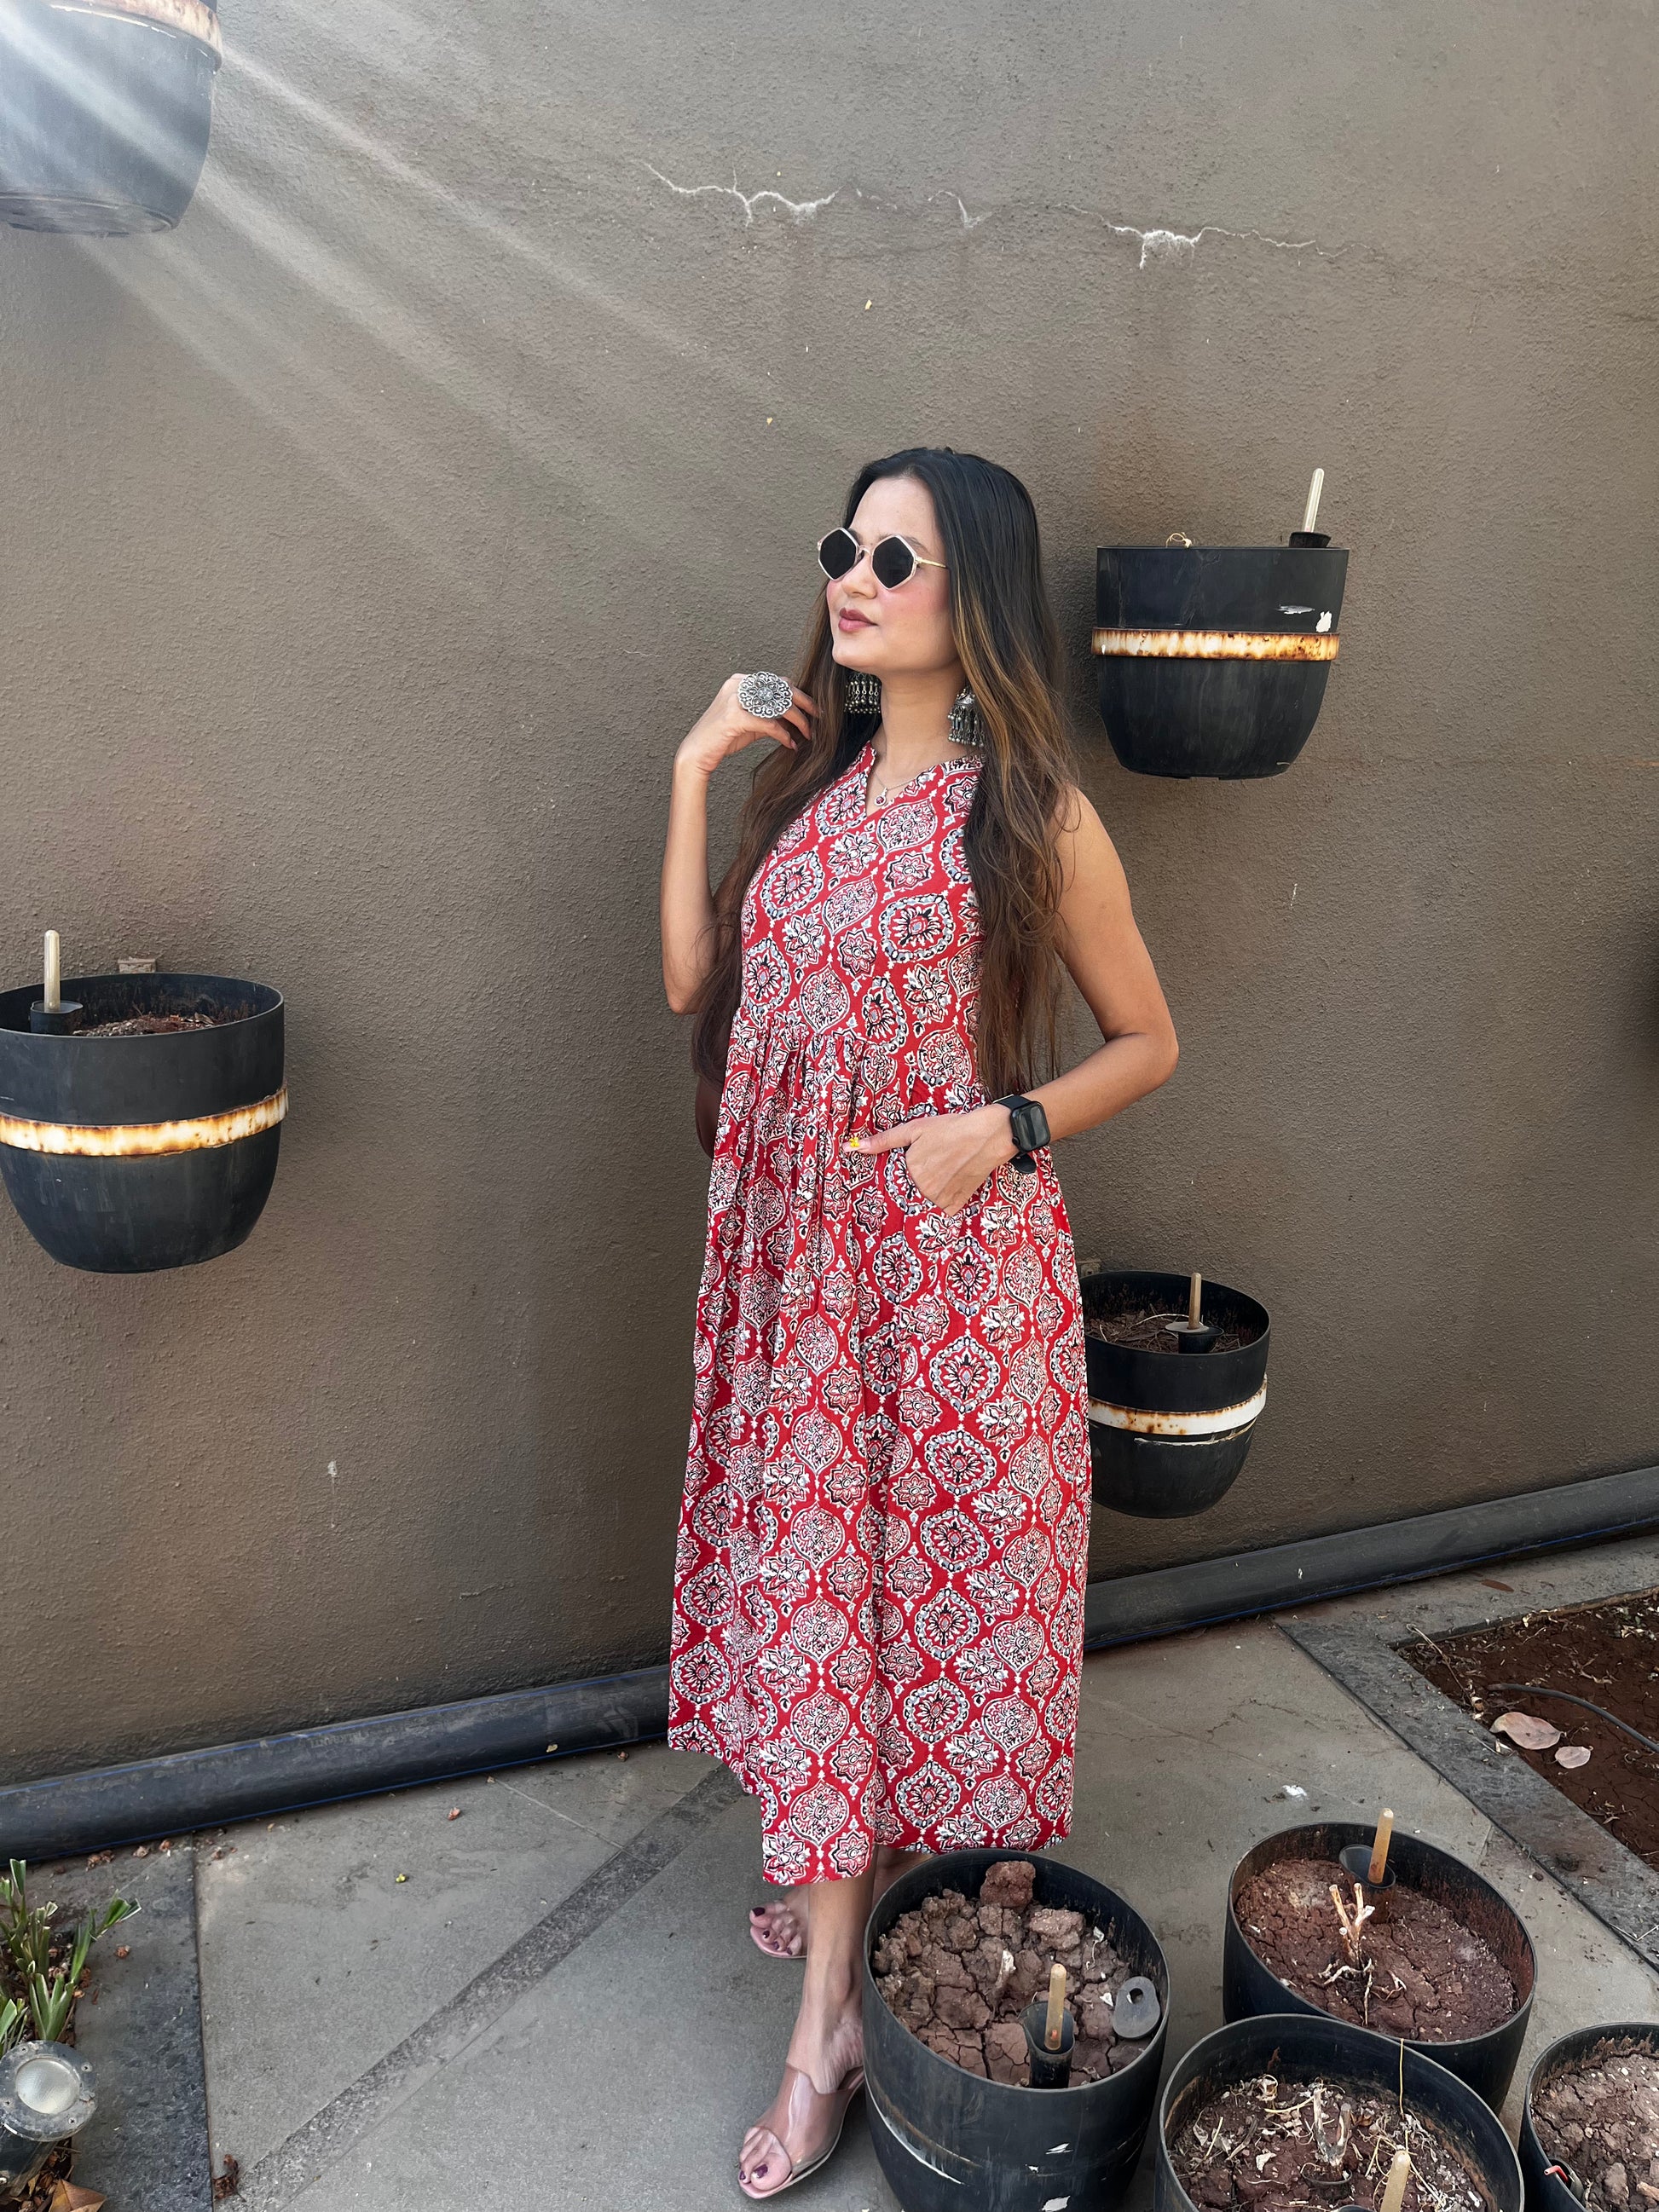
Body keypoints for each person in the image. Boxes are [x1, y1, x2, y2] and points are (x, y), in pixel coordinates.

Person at [659, 447, 1178, 2198]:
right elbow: (687, 988)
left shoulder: (1029, 813)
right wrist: (689, 776)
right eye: (846, 543)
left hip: (961, 1303)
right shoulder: (804, 804)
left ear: (979, 601)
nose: (856, 574)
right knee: (818, 1613)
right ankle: (831, 1971)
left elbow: (1146, 1040)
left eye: (902, 554)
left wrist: (1005, 1120)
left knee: (919, 1618)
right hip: (808, 1299)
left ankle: (830, 2019)